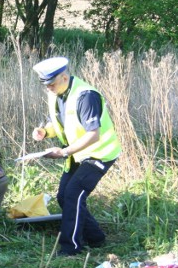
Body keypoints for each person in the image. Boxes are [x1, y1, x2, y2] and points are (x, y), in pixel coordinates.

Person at [31, 56, 122, 256]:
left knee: (73, 193)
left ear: (64, 77)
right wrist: (44, 132)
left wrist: (63, 152)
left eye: (51, 84)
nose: (48, 89)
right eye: (45, 85)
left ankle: (70, 248)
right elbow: (58, 122)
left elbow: (93, 134)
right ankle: (96, 237)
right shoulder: (56, 93)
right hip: (78, 154)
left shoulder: (86, 96)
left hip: (100, 154)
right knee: (63, 196)